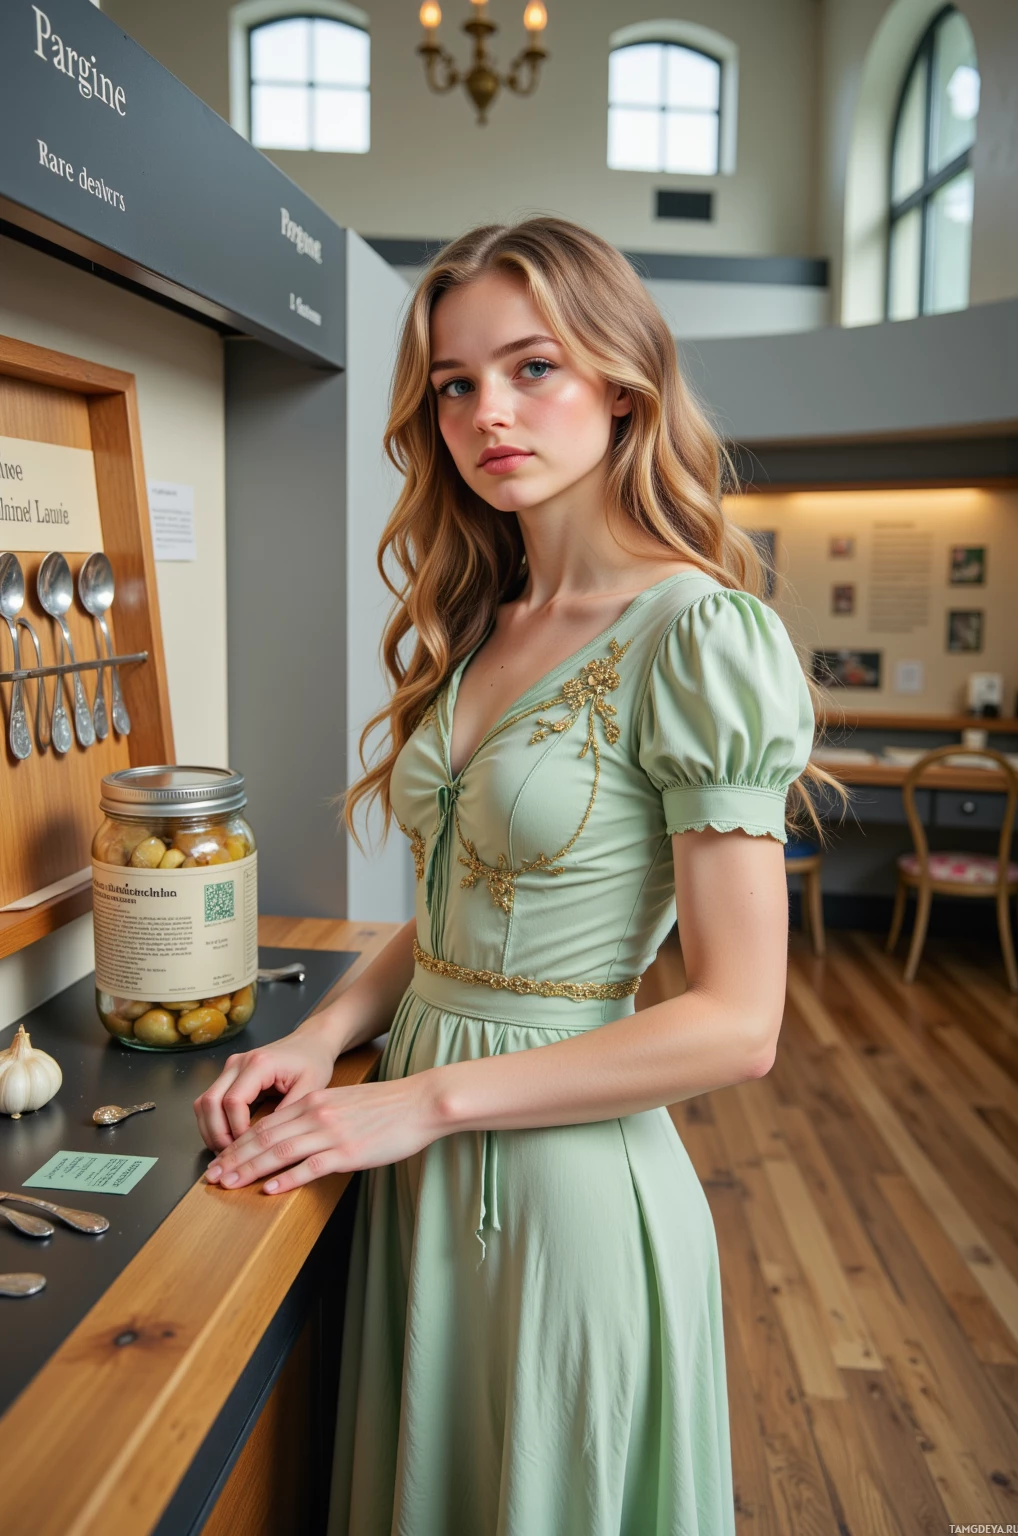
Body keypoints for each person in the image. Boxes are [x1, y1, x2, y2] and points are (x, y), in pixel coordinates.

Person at [194, 216, 846, 1535]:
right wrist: (321, 1039)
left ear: (622, 380)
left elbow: (740, 1024)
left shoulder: (700, 633)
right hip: (418, 1161)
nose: (490, 410)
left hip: (563, 1188)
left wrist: (421, 1105)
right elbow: (451, 916)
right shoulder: (486, 621)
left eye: (532, 366)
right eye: (454, 383)